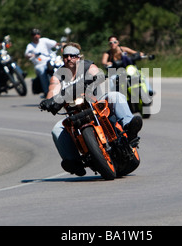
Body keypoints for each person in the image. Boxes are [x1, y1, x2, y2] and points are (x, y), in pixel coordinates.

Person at [40, 42, 143, 176]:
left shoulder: (87, 65)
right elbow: (52, 90)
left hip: (96, 103)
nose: (69, 59)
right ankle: (73, 161)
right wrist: (49, 101)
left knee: (115, 96)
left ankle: (130, 129)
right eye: (66, 56)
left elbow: (97, 72)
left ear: (78, 57)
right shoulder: (59, 75)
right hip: (74, 112)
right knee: (57, 129)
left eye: (72, 56)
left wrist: (96, 77)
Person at [25, 28, 59, 95]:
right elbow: (26, 54)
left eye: (38, 34)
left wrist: (63, 45)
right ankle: (47, 92)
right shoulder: (30, 46)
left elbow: (55, 44)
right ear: (32, 36)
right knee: (42, 71)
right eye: (34, 34)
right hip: (39, 65)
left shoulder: (44, 40)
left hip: (50, 61)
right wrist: (31, 55)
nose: (36, 36)